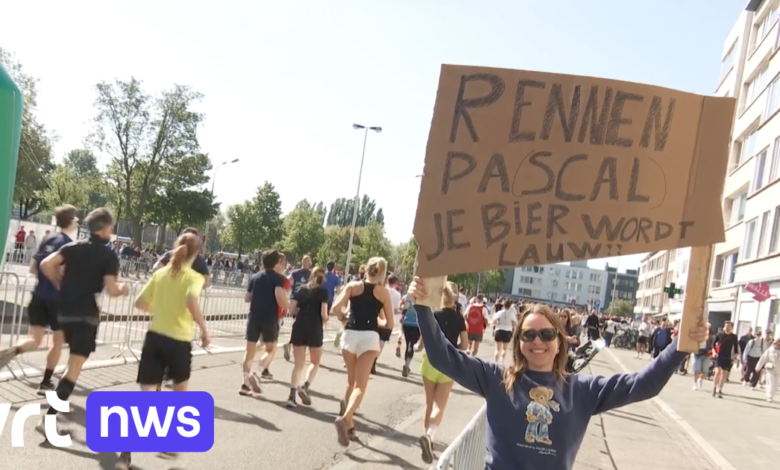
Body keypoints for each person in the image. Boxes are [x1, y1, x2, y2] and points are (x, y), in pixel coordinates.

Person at [406, 277, 708, 470]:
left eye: (547, 334)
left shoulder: (585, 390)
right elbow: (443, 357)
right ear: (518, 341)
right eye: (528, 335)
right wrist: (422, 307)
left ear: (559, 340)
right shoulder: (496, 378)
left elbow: (643, 384)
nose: (538, 341)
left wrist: (680, 346)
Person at [115, 233, 211, 470]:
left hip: (155, 337)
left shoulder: (160, 273)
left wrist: (161, 308)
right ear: (197, 253)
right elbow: (190, 300)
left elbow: (139, 302)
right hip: (179, 341)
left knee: (146, 397)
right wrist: (204, 328)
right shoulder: (194, 277)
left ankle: (125, 454)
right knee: (180, 395)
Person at [36, 208, 129, 435]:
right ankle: (48, 421)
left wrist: (60, 284)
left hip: (64, 312)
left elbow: (46, 264)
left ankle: (49, 399)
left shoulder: (72, 247)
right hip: (86, 315)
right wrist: (123, 289)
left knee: (65, 356)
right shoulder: (108, 255)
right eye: (112, 226)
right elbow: (111, 288)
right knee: (74, 367)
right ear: (105, 227)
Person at [0, 206, 79, 394]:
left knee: (36, 339)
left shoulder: (47, 239)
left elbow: (33, 268)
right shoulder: (68, 245)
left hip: (38, 296)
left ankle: (14, 350)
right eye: (75, 219)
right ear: (70, 222)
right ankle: (45, 382)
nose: (77, 222)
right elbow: (61, 271)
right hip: (57, 301)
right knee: (57, 342)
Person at [332, 257, 394, 446]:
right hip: (369, 337)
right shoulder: (383, 292)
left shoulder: (352, 286)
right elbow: (390, 323)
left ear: (366, 269)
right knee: (360, 386)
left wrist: (344, 319)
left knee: (350, 382)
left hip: (350, 334)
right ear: (383, 273)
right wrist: (379, 323)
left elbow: (336, 308)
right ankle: (345, 418)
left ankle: (349, 425)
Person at [414, 281, 468, 463]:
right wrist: (455, 348)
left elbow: (421, 342)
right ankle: (430, 436)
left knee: (429, 403)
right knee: (440, 405)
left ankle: (425, 435)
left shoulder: (433, 314)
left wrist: (416, 347)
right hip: (448, 363)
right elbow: (465, 345)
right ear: (455, 298)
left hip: (429, 361)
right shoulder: (460, 319)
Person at [240, 250, 289, 396]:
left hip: (254, 317)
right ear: (275, 262)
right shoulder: (278, 279)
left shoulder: (255, 277)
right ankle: (259, 369)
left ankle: (244, 383)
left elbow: (247, 297)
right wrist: (287, 306)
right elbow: (279, 296)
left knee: (249, 351)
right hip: (269, 317)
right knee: (271, 348)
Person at [286, 266, 328, 408]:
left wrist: (301, 312)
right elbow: (324, 314)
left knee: (298, 365)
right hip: (315, 328)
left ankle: (291, 396)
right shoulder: (323, 293)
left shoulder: (301, 290)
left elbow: (291, 309)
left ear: (311, 275)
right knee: (315, 362)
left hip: (300, 327)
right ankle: (305, 386)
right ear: (323, 279)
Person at [283, 255, 313, 362]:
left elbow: (287, 281)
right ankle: (294, 344)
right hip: (306, 301)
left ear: (301, 262)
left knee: (297, 322)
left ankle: (291, 343)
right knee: (302, 324)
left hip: (294, 299)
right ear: (310, 263)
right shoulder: (311, 274)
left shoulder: (295, 273)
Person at [712, 321, 739, 399]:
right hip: (719, 356)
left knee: (724, 374)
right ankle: (714, 387)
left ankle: (719, 389)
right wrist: (714, 352)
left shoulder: (734, 336)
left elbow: (736, 347)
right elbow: (713, 344)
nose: (727, 327)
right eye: (726, 326)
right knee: (718, 371)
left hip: (728, 357)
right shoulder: (719, 334)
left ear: (731, 327)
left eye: (729, 326)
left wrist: (735, 356)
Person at [400, 291, 421, 378]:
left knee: (408, 343)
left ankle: (406, 364)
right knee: (411, 345)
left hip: (406, 323)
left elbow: (403, 308)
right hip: (417, 324)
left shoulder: (408, 297)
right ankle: (407, 365)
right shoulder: (423, 298)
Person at [756, 337, 780, 402]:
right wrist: (758, 367)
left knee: (776, 384)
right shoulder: (770, 350)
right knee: (771, 382)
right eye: (777, 342)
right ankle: (770, 396)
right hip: (770, 368)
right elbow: (763, 358)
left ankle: (771, 394)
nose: (778, 344)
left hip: (778, 370)